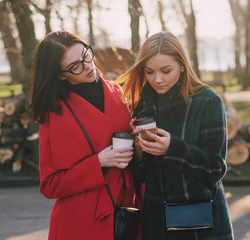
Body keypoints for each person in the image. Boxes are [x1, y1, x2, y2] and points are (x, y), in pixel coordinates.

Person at [116, 31, 234, 240]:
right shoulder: (142, 106)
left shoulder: (208, 102)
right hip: (156, 221)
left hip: (200, 221)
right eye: (149, 72)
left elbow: (216, 168)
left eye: (166, 70)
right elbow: (139, 175)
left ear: (182, 65)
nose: (157, 79)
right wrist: (139, 151)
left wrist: (172, 149)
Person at [30, 31, 136, 240]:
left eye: (86, 54)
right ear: (60, 74)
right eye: (75, 66)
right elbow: (49, 184)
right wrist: (98, 162)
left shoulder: (120, 94)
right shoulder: (54, 112)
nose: (88, 66)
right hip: (81, 225)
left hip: (128, 213)